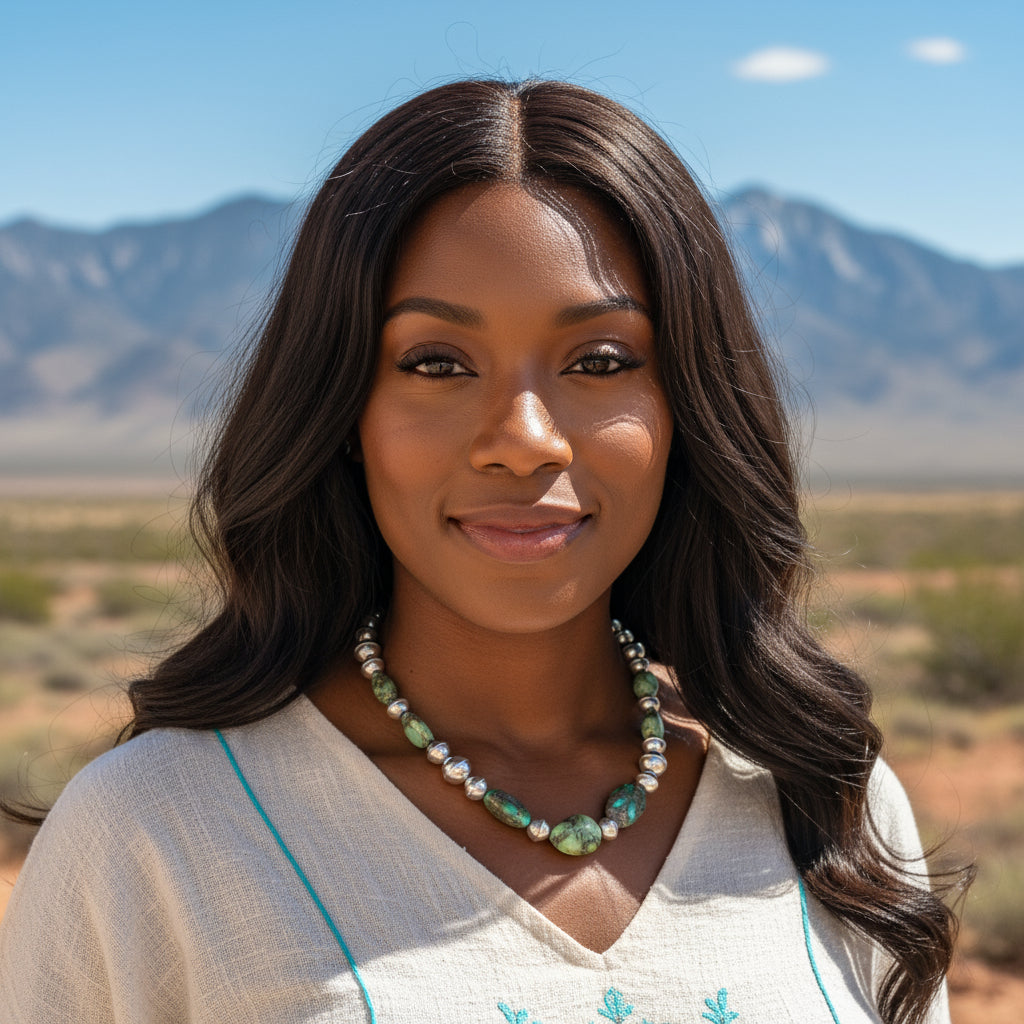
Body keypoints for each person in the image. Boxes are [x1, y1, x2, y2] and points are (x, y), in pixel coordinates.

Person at [0, 79, 962, 1024]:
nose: (525, 436)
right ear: (343, 413)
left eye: (601, 361)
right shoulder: (157, 830)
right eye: (435, 363)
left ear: (686, 409)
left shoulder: (826, 798)